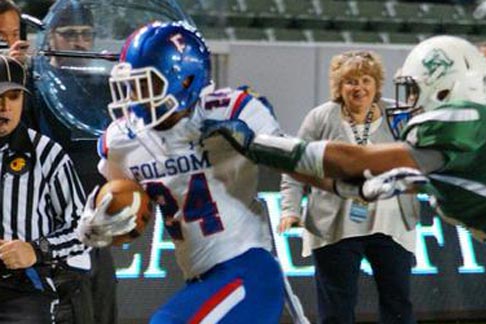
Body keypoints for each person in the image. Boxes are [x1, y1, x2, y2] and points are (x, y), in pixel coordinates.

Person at [202, 35, 486, 324]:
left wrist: (259, 145)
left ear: (445, 88)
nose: (409, 100)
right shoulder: (448, 152)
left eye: (414, 89)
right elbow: (348, 182)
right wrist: (274, 157)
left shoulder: (466, 118)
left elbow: (355, 161)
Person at [77, 21, 285, 323]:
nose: (136, 96)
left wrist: (255, 144)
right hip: (201, 280)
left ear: (186, 79)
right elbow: (125, 211)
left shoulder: (230, 109)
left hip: (248, 269)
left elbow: (290, 161)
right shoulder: (123, 139)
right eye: (133, 84)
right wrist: (96, 226)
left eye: (147, 84)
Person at [279, 50, 417, 324]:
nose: (359, 88)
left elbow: (423, 152)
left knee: (399, 305)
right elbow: (295, 166)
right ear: (339, 87)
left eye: (366, 80)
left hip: (391, 224)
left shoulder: (398, 116)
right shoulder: (320, 118)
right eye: (351, 81)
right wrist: (289, 210)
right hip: (335, 226)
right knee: (336, 311)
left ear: (377, 84)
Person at [30, 2, 118, 323]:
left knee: (103, 311)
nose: (80, 42)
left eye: (86, 34)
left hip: (93, 225)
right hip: (48, 233)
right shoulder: (31, 86)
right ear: (49, 36)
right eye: (70, 35)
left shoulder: (105, 88)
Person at [0, 55, 87, 323]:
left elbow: (83, 227)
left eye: (14, 96)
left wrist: (36, 250)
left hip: (23, 289)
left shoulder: (47, 154)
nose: (4, 106)